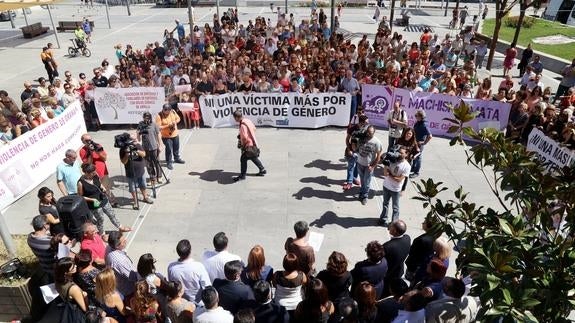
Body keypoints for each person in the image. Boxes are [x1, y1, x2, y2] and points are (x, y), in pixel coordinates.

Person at [77, 163, 130, 234]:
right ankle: (102, 233)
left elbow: (99, 184)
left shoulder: (95, 176)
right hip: (94, 205)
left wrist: (103, 188)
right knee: (100, 219)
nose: (94, 173)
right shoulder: (81, 183)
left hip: (103, 199)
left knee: (111, 214)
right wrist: (92, 199)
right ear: (86, 173)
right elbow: (80, 197)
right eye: (92, 173)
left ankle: (120, 226)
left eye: (94, 172)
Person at [79, 134, 118, 207]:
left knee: (107, 187)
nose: (89, 141)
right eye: (87, 140)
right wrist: (90, 152)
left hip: (103, 171)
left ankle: (111, 201)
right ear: (83, 141)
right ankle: (102, 202)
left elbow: (104, 158)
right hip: (93, 174)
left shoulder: (98, 146)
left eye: (90, 139)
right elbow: (88, 164)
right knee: (98, 189)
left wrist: (96, 151)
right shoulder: (82, 151)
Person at [168, 239, 212, 303]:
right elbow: (205, 285)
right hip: (198, 304)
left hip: (181, 302)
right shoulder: (199, 267)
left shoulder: (171, 268)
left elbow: (172, 284)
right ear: (190, 251)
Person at [119, 133, 154, 209]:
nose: (135, 141)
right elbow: (123, 162)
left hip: (141, 171)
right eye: (133, 140)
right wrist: (127, 155)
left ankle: (145, 197)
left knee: (143, 185)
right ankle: (135, 201)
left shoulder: (138, 145)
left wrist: (136, 150)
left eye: (135, 139)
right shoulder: (123, 149)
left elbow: (144, 154)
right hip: (130, 173)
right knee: (132, 188)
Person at [379, 146, 411, 226]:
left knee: (395, 207)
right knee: (385, 204)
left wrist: (390, 174)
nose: (399, 154)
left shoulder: (407, 166)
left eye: (401, 153)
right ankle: (383, 219)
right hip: (386, 186)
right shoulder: (392, 160)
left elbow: (399, 179)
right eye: (399, 152)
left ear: (406, 154)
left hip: (395, 189)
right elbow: (385, 173)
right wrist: (386, 165)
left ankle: (394, 223)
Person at [232, 110, 266, 181]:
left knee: (243, 159)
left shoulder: (242, 126)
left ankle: (242, 176)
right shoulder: (247, 120)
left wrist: (243, 145)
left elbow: (244, 137)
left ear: (237, 118)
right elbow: (254, 128)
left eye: (234, 118)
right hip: (253, 142)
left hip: (248, 145)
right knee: (253, 156)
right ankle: (262, 169)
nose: (235, 120)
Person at [105, 231, 139, 297]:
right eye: (123, 241)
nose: (126, 240)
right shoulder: (119, 261)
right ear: (117, 246)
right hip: (127, 291)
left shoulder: (109, 247)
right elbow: (133, 277)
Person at [356, 125, 383, 205]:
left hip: (369, 165)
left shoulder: (376, 142)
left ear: (374, 133)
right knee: (362, 179)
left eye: (370, 133)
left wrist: (373, 166)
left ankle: (364, 196)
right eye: (367, 132)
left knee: (367, 181)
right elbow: (356, 147)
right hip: (360, 162)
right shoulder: (362, 137)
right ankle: (362, 191)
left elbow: (378, 156)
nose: (368, 134)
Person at [382, 220, 411, 295]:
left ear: (394, 231)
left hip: (388, 276)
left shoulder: (387, 247)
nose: (389, 228)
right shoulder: (407, 238)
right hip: (398, 272)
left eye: (391, 226)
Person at [343, 114, 369, 190]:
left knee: (357, 167)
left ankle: (354, 178)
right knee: (350, 167)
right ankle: (349, 182)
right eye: (366, 122)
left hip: (361, 152)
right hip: (352, 151)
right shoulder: (352, 129)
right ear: (361, 122)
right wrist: (349, 149)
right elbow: (347, 140)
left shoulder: (366, 130)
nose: (368, 124)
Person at [156, 104, 185, 170]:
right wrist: (168, 125)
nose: (167, 112)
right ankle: (169, 162)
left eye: (168, 111)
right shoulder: (159, 115)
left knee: (176, 147)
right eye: (165, 111)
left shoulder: (173, 112)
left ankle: (176, 158)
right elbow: (158, 127)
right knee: (169, 148)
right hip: (166, 136)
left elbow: (178, 118)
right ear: (163, 109)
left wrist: (174, 122)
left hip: (175, 133)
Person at [138, 112, 163, 186]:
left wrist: (160, 145)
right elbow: (139, 137)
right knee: (148, 164)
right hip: (145, 147)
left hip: (154, 146)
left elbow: (158, 134)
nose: (146, 119)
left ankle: (159, 176)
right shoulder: (141, 124)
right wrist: (138, 133)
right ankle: (152, 177)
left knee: (156, 162)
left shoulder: (154, 124)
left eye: (148, 117)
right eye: (145, 117)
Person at [27, 215, 56, 279]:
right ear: (45, 226)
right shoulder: (50, 241)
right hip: (56, 269)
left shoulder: (29, 238)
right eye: (48, 223)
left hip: (45, 267)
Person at [411, 109, 432, 178]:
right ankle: (413, 168)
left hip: (419, 144)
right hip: (415, 142)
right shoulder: (418, 122)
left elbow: (430, 136)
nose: (415, 117)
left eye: (416, 115)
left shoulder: (424, 125)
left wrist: (424, 142)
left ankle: (416, 172)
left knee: (418, 157)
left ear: (421, 116)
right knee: (414, 155)